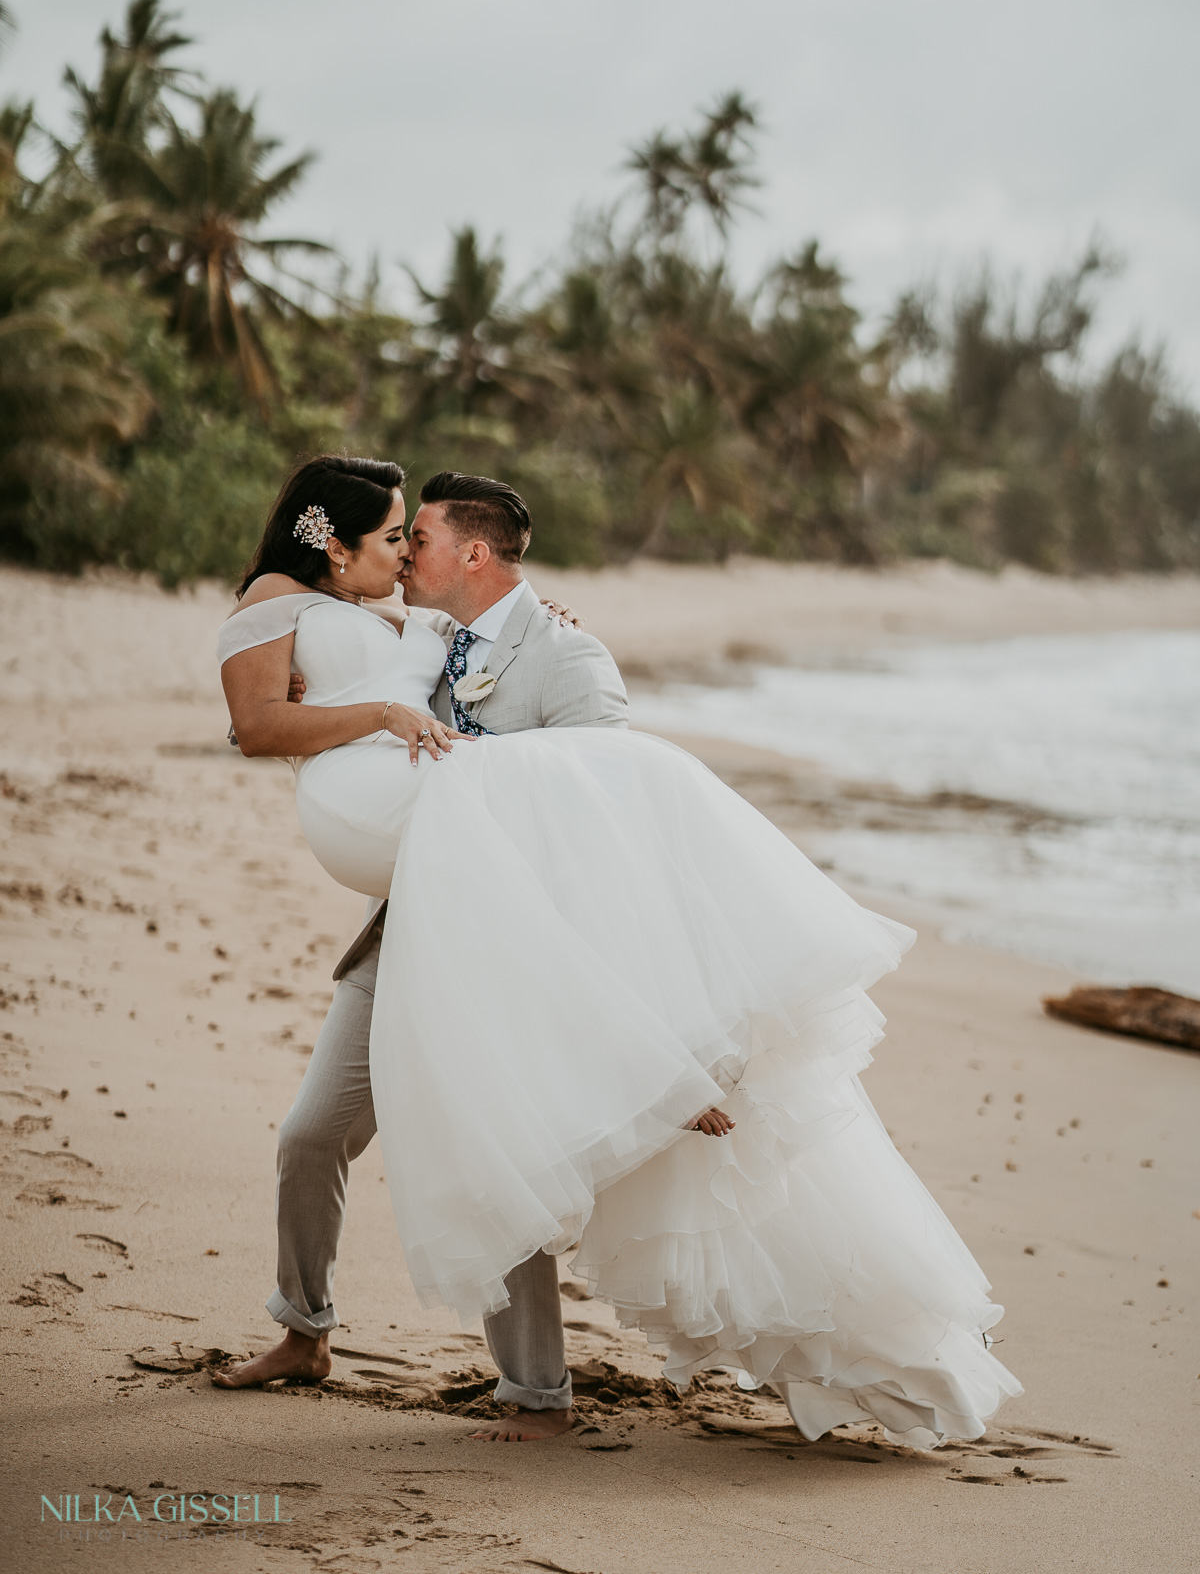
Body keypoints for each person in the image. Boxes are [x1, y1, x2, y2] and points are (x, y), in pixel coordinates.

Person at [214, 454, 1021, 1449]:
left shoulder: (569, 660)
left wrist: (649, 1020)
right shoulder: (420, 634)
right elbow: (303, 695)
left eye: (416, 538)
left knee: (503, 1152)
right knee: (311, 1133)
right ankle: (303, 1329)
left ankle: (535, 1392)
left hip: (541, 953)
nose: (406, 552)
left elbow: (620, 848)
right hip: (418, 930)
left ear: (470, 551)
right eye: (397, 537)